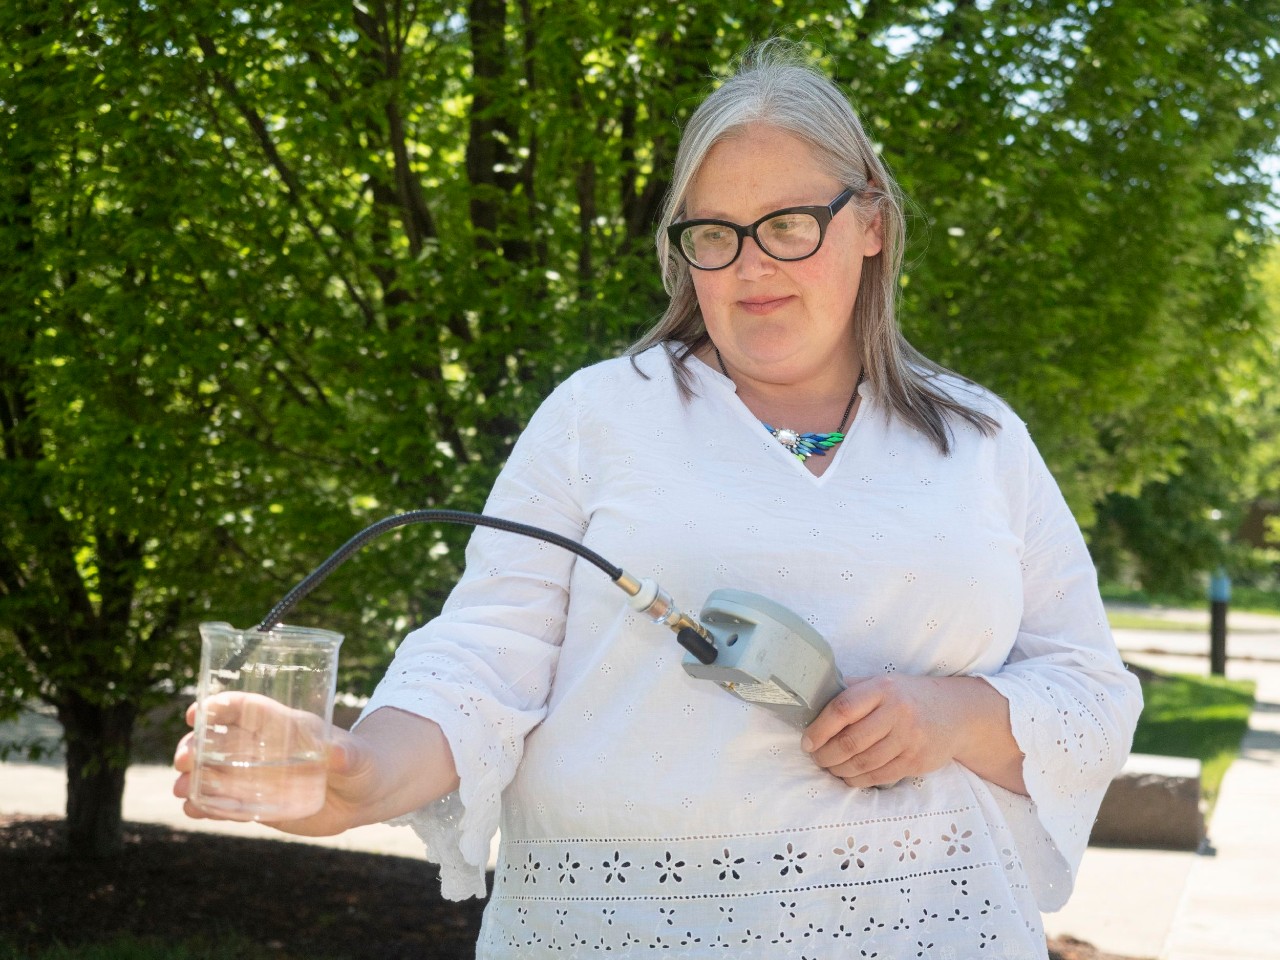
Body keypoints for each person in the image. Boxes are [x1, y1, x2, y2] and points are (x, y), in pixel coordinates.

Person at [174, 42, 1142, 959]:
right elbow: (486, 658)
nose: (750, 266)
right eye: (713, 234)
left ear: (872, 221)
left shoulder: (976, 439)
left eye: (789, 225)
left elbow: (1088, 692)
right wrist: (358, 773)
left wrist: (956, 715)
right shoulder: (602, 414)